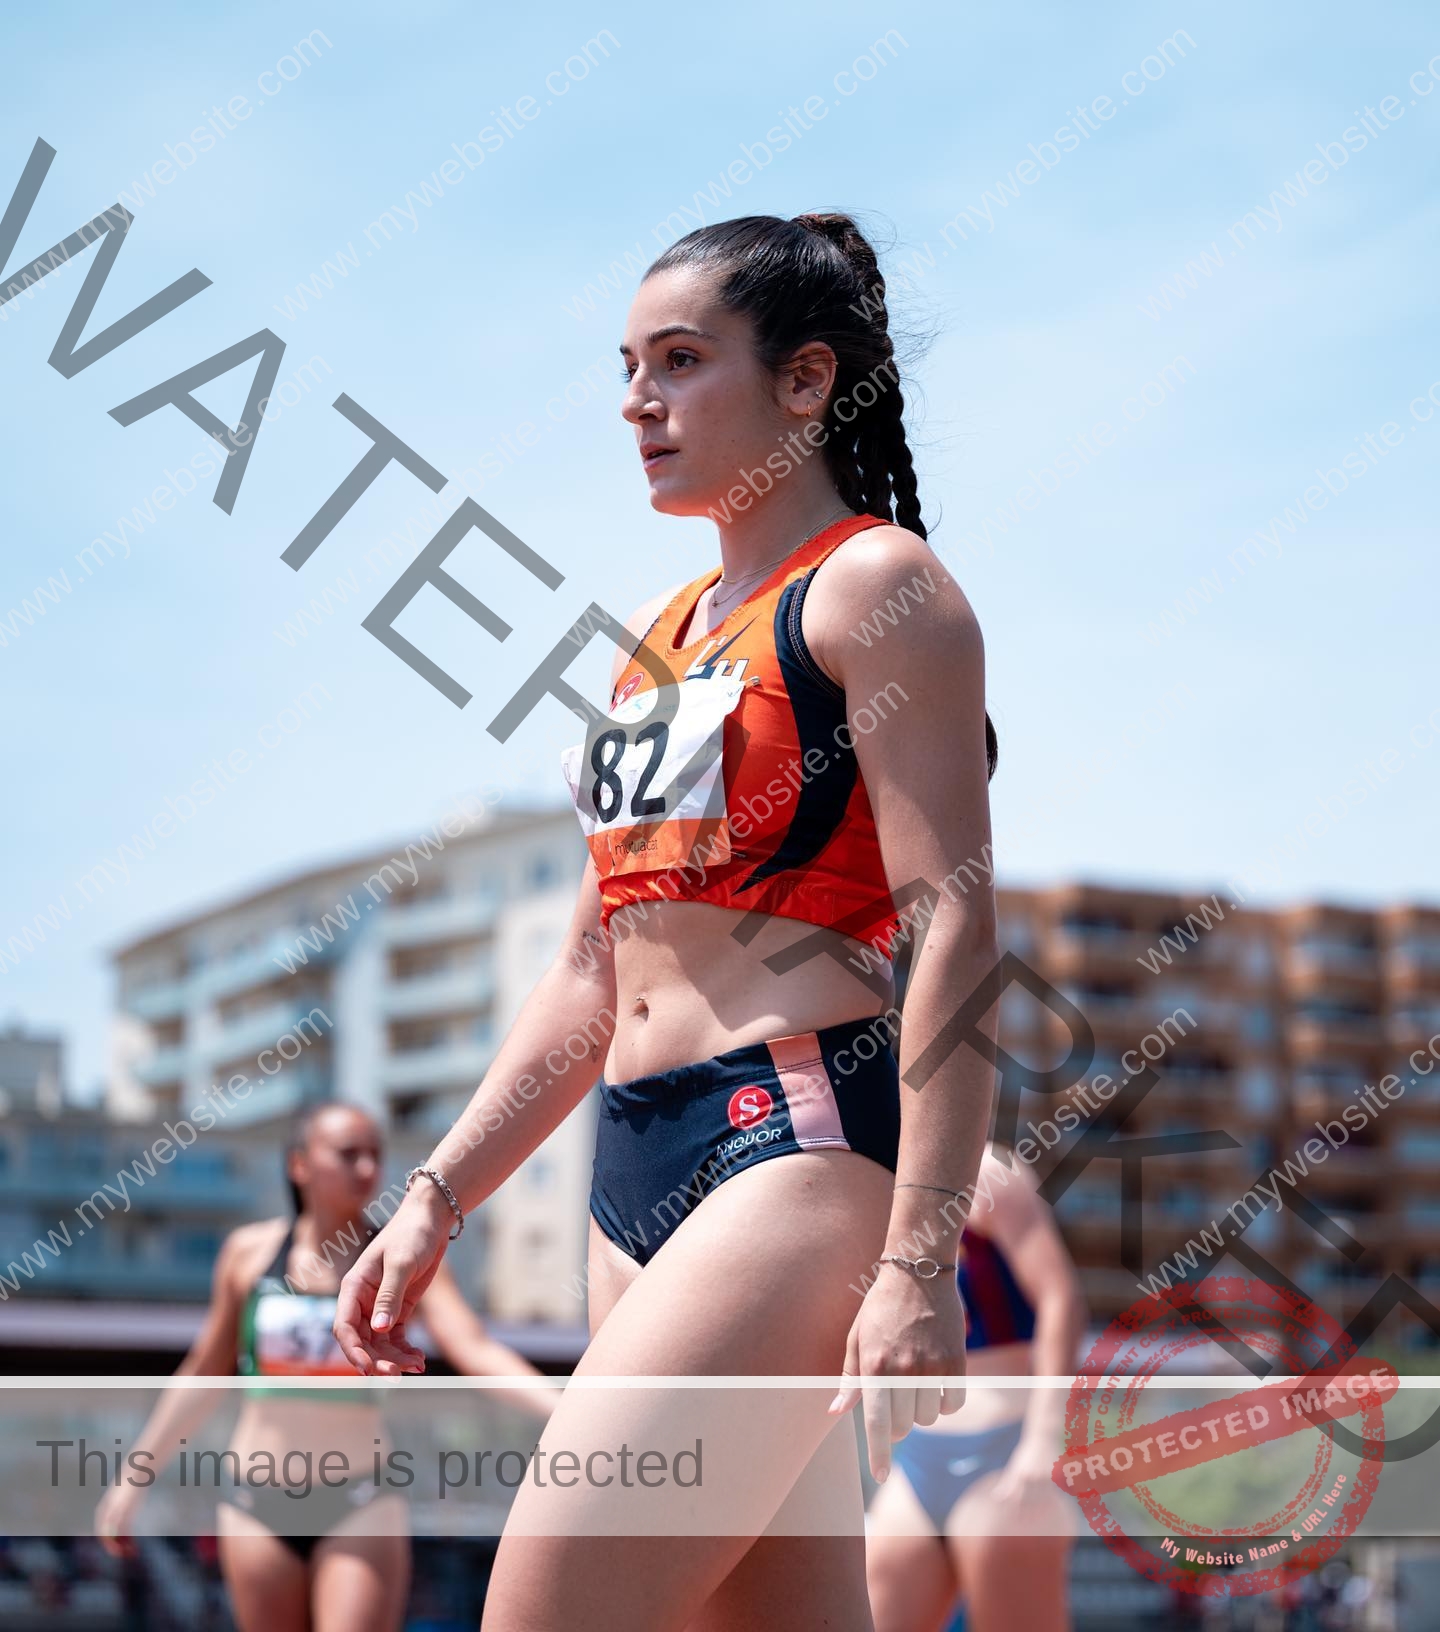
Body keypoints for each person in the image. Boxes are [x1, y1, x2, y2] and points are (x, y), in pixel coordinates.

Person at [334, 211, 1002, 1631]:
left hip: (795, 1148)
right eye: (627, 366)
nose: (637, 401)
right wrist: (438, 1195)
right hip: (629, 1173)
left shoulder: (878, 588)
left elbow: (954, 933)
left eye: (681, 361)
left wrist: (920, 1261)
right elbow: (593, 967)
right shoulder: (658, 636)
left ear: (806, 381)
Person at [95, 1101, 553, 1632]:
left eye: (375, 1155)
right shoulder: (248, 1254)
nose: (367, 1169)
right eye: (347, 1154)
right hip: (254, 1500)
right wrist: (134, 1478)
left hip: (360, 1499)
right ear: (299, 1164)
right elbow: (203, 1370)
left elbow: (473, 1347)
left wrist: (569, 1409)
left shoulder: (403, 1256)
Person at [866, 1145, 1088, 1632]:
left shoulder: (987, 1174)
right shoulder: (875, 1176)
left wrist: (1042, 1441)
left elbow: (1061, 1299)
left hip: (1005, 1452)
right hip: (921, 1457)